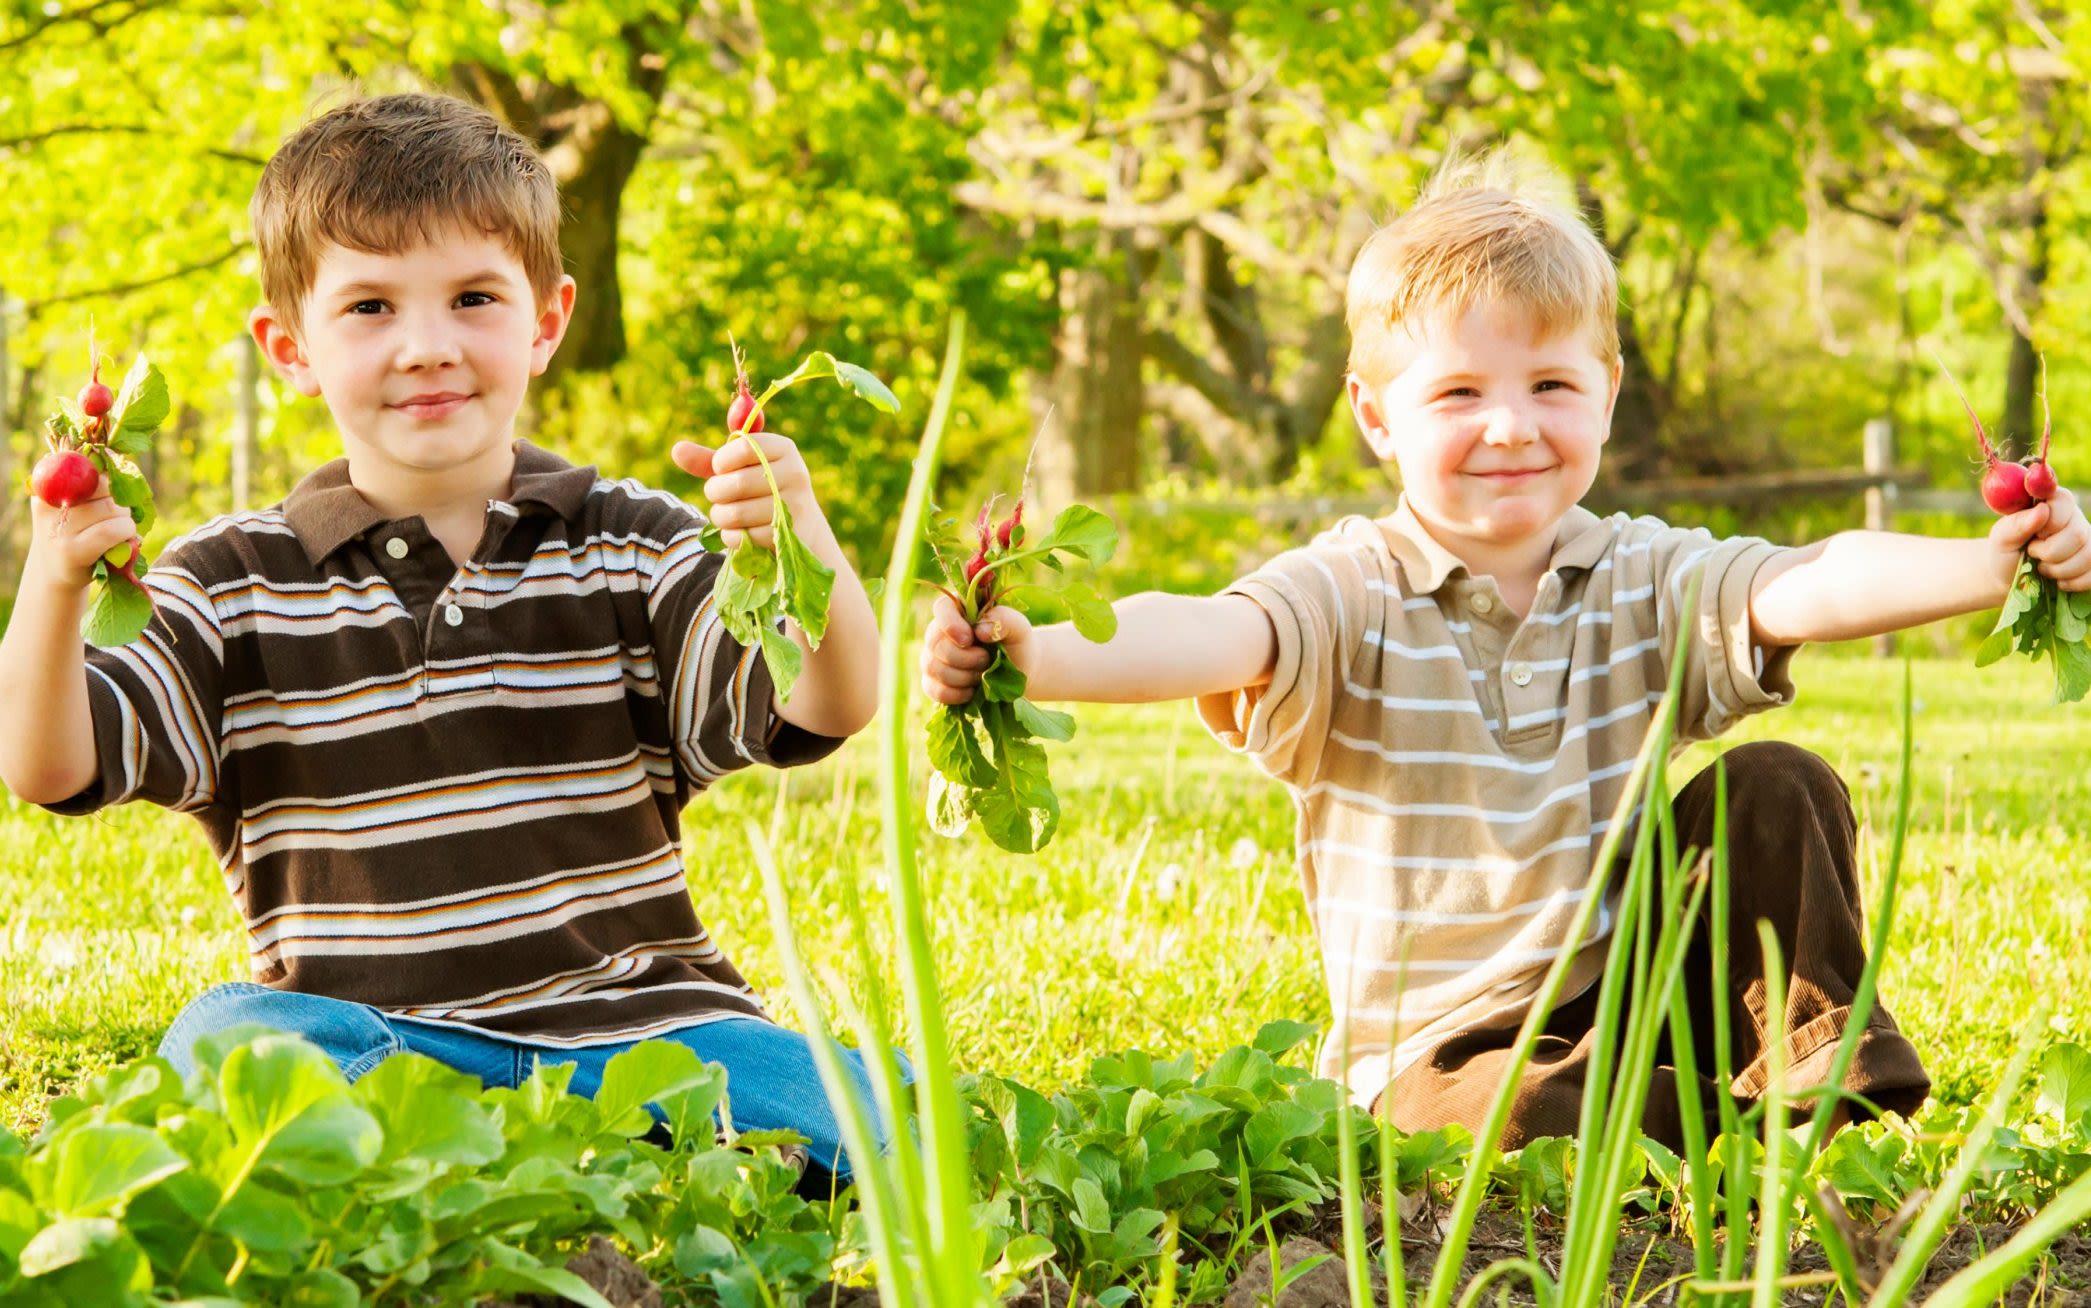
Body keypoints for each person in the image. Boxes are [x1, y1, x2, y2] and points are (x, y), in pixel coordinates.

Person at [920, 155, 2091, 1149]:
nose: (1510, 425)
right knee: (1524, 1114)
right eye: (1459, 392)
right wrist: (1033, 655)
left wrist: (1997, 566)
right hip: (1443, 1052)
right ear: (1378, 415)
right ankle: (1662, 1124)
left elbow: (1808, 578)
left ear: (1608, 394)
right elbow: (1210, 631)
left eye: (1549, 384)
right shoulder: (1348, 588)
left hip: (1631, 992)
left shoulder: (1641, 571)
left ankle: (1815, 1096)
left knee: (1779, 782)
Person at [0, 93, 886, 1180]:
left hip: (645, 1038)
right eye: (369, 307)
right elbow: (47, 766)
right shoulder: (232, 583)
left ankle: (559, 1156)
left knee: (847, 1107)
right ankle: (493, 1158)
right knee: (234, 1044)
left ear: (546, 321)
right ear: (291, 348)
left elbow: (828, 702)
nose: (427, 347)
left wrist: (803, 545)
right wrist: (51, 582)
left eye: (473, 297)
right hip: (387, 1046)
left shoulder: (634, 544)